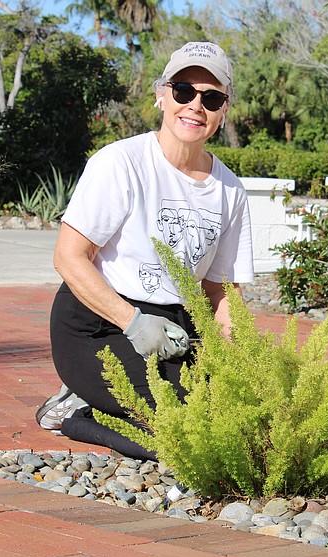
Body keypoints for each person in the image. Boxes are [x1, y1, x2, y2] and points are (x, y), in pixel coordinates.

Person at [35, 41, 254, 460]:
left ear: (224, 110)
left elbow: (222, 293)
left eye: (211, 98)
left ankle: (100, 402)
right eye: (183, 91)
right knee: (186, 433)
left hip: (176, 333)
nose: (195, 106)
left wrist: (233, 362)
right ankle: (80, 413)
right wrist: (133, 323)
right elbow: (68, 257)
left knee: (242, 417)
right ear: (161, 95)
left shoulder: (230, 191)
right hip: (101, 324)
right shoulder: (120, 162)